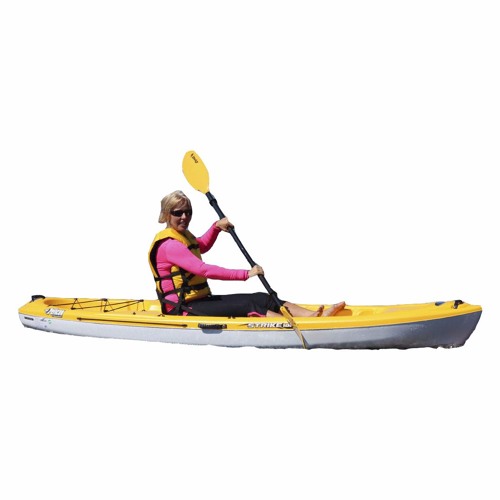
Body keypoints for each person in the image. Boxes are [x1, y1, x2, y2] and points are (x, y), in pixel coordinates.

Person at [148, 190, 345, 317]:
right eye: (178, 213)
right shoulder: (170, 245)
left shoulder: (182, 238)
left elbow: (200, 246)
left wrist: (216, 227)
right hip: (182, 309)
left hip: (199, 301)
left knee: (262, 297)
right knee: (248, 304)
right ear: (166, 214)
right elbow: (203, 270)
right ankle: (294, 327)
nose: (184, 217)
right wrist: (245, 274)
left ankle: (312, 316)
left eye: (188, 212)